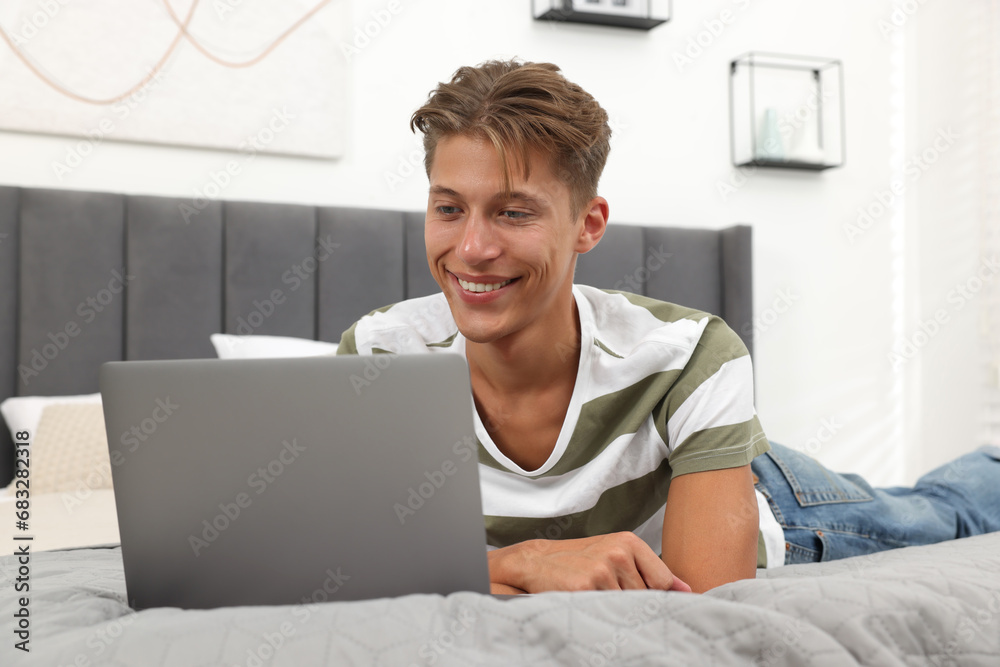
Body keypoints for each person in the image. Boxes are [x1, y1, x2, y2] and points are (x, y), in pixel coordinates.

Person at [337, 58, 1000, 594]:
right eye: (449, 207)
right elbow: (340, 564)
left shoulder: (688, 357)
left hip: (768, 501)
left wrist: (511, 566)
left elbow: (699, 597)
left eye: (513, 213)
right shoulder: (377, 354)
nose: (473, 247)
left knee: (945, 511)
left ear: (588, 225)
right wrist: (518, 563)